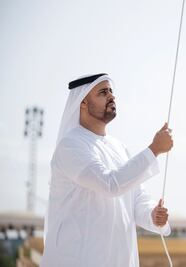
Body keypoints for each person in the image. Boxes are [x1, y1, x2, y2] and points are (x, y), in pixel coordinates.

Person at [41, 73, 173, 267]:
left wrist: (153, 215)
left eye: (112, 91)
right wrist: (154, 150)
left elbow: (136, 199)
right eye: (103, 92)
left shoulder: (119, 147)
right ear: (83, 102)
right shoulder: (71, 145)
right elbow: (109, 184)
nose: (111, 96)